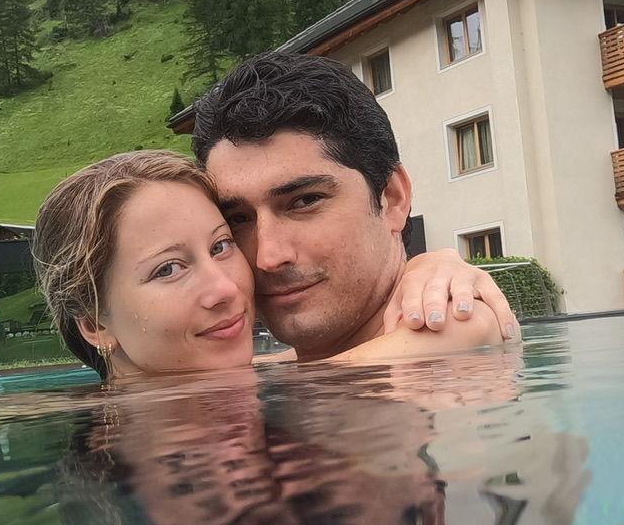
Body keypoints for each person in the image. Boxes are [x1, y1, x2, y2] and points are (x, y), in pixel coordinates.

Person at [32, 148, 512, 380]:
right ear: (94, 324)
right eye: (168, 269)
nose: (225, 289)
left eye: (222, 245)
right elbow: (466, 330)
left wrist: (423, 270)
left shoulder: (249, 380)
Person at [192, 49, 519, 362]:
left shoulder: (461, 345)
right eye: (237, 219)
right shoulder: (270, 373)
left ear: (392, 198)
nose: (268, 258)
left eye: (304, 201)